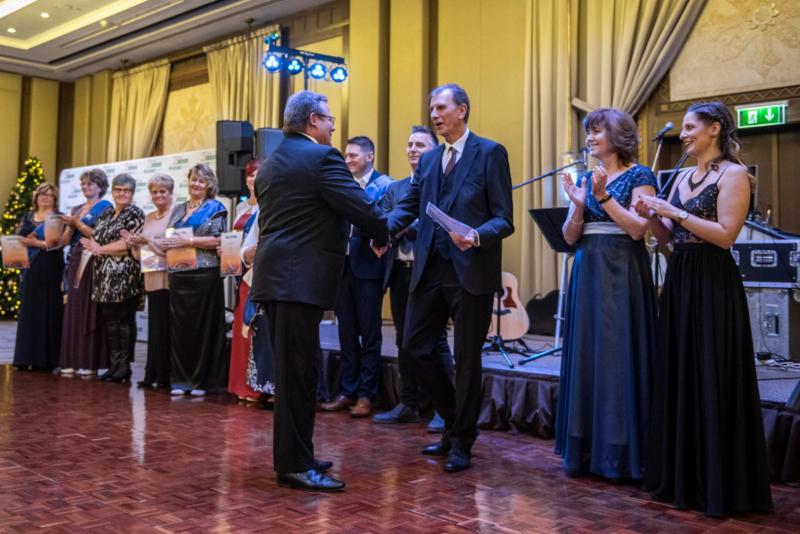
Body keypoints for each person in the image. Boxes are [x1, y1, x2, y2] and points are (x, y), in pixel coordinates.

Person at [637, 101, 773, 517]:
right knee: (681, 370)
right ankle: (683, 477)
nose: (683, 135)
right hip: (681, 277)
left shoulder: (734, 175)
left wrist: (673, 211)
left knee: (712, 371)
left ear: (714, 129)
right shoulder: (681, 176)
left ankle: (718, 483)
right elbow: (667, 238)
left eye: (690, 127)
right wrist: (652, 217)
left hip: (714, 280)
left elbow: (726, 235)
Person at [249, 90, 389, 492]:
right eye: (329, 119)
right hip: (298, 280)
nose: (331, 127)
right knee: (297, 376)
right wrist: (382, 232)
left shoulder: (272, 163)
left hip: (278, 278)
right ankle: (293, 465)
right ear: (313, 120)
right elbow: (360, 206)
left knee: (296, 372)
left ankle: (300, 454)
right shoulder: (322, 157)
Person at [380, 83, 514, 472]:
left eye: (441, 108)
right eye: (432, 109)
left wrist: (476, 235)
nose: (435, 115)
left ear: (462, 110)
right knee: (414, 345)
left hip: (471, 270)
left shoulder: (490, 153)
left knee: (467, 359)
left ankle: (461, 441)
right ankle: (455, 419)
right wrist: (379, 229)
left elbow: (504, 219)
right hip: (429, 268)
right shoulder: (429, 160)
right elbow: (408, 206)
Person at [554, 108, 657, 481]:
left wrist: (604, 197)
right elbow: (569, 237)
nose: (590, 138)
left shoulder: (640, 175)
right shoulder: (585, 177)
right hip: (588, 269)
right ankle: (585, 449)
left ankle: (620, 452)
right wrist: (580, 205)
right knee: (587, 354)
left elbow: (638, 230)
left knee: (617, 356)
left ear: (618, 135)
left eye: (597, 131)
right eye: (589, 132)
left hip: (621, 270)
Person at [373, 125, 454, 431]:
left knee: (436, 341)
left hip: (431, 272)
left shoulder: (444, 184)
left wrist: (401, 225)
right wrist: (396, 226)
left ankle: (444, 409)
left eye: (420, 145)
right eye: (409, 144)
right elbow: (382, 220)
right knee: (403, 340)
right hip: (399, 272)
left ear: (434, 152)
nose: (412, 149)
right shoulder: (395, 188)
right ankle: (407, 403)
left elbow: (438, 227)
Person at [321, 136, 392, 418]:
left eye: (353, 155)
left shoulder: (384, 186)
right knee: (346, 333)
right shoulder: (343, 185)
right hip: (342, 268)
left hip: (369, 268)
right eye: (346, 155)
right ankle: (348, 390)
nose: (348, 159)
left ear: (370, 156)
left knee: (370, 334)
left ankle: (366, 395)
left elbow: (384, 221)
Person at [162, 164, 228, 397]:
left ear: (209, 184)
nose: (196, 184)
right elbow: (170, 238)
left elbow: (220, 240)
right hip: (179, 276)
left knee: (202, 330)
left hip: (204, 275)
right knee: (181, 331)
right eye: (193, 179)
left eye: (202, 180)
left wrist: (188, 242)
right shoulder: (178, 209)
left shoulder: (216, 208)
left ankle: (200, 381)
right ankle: (180, 380)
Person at [82, 174, 145, 383]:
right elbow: (95, 238)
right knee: (110, 322)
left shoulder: (135, 213)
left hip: (125, 276)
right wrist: (93, 245)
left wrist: (100, 249)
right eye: (118, 189)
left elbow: (127, 245)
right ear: (113, 191)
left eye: (126, 190)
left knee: (124, 321)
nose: (122, 193)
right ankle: (114, 364)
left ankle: (124, 367)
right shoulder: (106, 213)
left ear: (132, 193)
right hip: (103, 276)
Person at [122, 174, 175, 389]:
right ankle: (151, 374)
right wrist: (134, 244)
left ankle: (166, 376)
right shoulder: (149, 217)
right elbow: (140, 253)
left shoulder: (176, 215)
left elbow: (170, 247)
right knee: (155, 328)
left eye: (163, 191)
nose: (158, 195)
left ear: (171, 193)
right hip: (151, 275)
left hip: (169, 277)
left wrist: (147, 240)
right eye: (154, 192)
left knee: (167, 328)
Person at [58, 169, 113, 376]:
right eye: (83, 183)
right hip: (75, 260)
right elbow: (65, 241)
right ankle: (71, 359)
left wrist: (78, 224)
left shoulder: (105, 207)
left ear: (100, 187)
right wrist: (70, 226)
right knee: (73, 308)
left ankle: (88, 362)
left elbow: (101, 235)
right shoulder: (76, 208)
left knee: (89, 309)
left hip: (93, 260)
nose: (86, 187)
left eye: (90, 183)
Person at [12, 183, 66, 371]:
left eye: (49, 195)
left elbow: (57, 244)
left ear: (54, 198)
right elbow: (18, 238)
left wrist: (36, 243)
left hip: (50, 266)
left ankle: (45, 360)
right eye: (42, 194)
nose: (45, 197)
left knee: (48, 309)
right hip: (30, 268)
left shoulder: (59, 217)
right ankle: (25, 357)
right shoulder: (27, 216)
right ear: (36, 197)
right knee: (29, 311)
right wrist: (23, 240)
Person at [228, 158, 264, 402]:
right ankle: (240, 383)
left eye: (257, 174)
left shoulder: (268, 205)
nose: (253, 179)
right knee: (241, 325)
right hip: (239, 271)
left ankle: (256, 386)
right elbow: (233, 241)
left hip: (258, 273)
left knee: (254, 326)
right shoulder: (241, 208)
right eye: (250, 175)